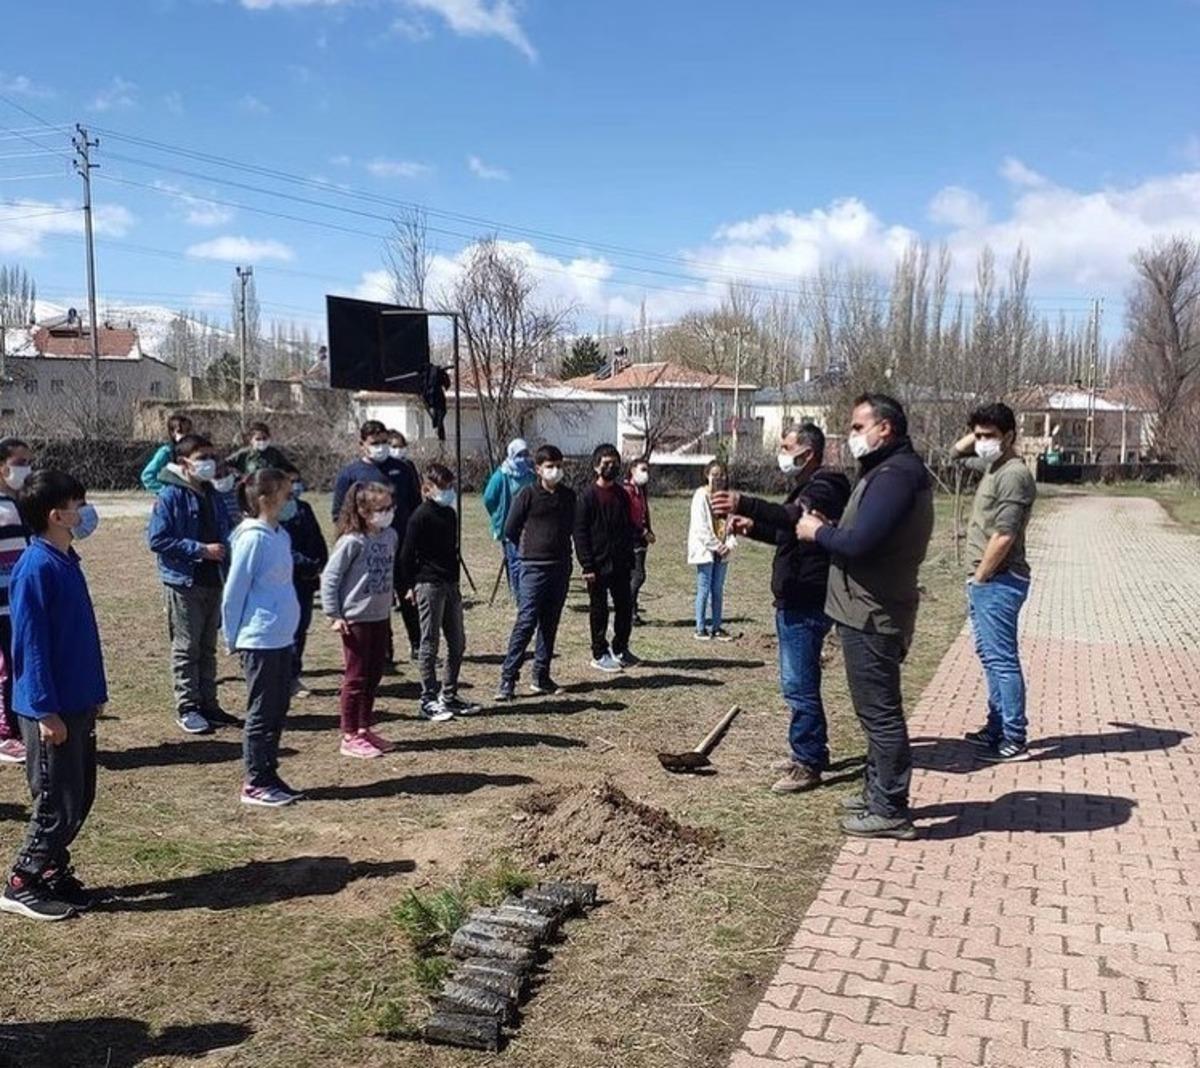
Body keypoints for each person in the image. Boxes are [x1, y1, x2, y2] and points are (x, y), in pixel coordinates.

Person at [796, 393, 934, 841]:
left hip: (874, 614)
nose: (852, 435)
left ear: (884, 429)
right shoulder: (886, 471)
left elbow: (861, 542)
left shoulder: (896, 476)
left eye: (858, 427)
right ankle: (876, 793)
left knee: (880, 714)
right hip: (867, 609)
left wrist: (819, 532)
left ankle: (890, 807)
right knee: (872, 711)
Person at [713, 425, 851, 793]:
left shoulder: (826, 485)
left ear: (808, 453)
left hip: (807, 598)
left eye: (787, 446)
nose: (782, 452)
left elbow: (794, 516)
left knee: (799, 684)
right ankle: (807, 750)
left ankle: (806, 761)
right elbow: (787, 530)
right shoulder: (809, 486)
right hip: (795, 595)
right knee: (798, 682)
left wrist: (745, 503)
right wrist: (752, 527)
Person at [0, 470, 107, 921]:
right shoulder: (35, 568)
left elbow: (79, 637)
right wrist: (45, 710)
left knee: (78, 797)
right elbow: (32, 646)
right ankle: (22, 880)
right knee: (55, 804)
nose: (84, 512)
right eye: (78, 504)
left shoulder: (67, 559)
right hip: (52, 709)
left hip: (78, 700)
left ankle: (52, 871)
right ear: (56, 515)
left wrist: (95, 693)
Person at [953, 402, 1038, 762]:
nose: (982, 442)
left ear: (1010, 437)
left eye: (990, 436)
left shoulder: (1013, 474)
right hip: (987, 580)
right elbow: (954, 454)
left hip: (999, 580)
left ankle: (1014, 735)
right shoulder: (994, 465)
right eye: (979, 435)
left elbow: (1005, 534)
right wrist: (973, 435)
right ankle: (997, 724)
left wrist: (981, 576)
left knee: (1002, 660)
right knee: (990, 658)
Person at [221, 469, 302, 807]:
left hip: (282, 636)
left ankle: (269, 771)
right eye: (286, 494)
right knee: (262, 711)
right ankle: (255, 780)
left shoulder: (279, 535)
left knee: (278, 707)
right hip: (259, 639)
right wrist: (232, 636)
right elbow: (234, 591)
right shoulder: (251, 538)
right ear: (266, 500)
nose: (291, 500)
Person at [146, 434, 236, 736]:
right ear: (184, 463)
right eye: (202, 458)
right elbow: (158, 539)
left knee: (208, 648)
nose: (209, 464)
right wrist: (199, 549)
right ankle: (188, 706)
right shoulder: (171, 496)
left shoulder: (212, 494)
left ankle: (209, 703)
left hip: (214, 580)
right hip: (184, 582)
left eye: (212, 456)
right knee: (186, 648)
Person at [321, 481, 399, 757]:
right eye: (382, 509)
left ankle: (365, 727)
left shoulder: (390, 536)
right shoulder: (352, 541)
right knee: (356, 677)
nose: (389, 513)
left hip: (380, 615)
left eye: (391, 507)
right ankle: (349, 733)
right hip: (356, 619)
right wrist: (334, 614)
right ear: (364, 511)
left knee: (374, 675)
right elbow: (330, 579)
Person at [332, 420, 421, 662]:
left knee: (408, 595)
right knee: (377, 595)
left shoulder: (402, 469)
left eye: (383, 442)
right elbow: (339, 513)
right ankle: (384, 649)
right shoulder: (350, 474)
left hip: (401, 544)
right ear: (362, 445)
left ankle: (418, 644)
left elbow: (415, 505)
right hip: (369, 548)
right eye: (374, 443)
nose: (380, 447)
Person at [496, 445, 575, 701]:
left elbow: (575, 527)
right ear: (538, 469)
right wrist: (527, 552)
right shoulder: (527, 494)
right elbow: (510, 528)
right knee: (527, 621)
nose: (555, 471)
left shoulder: (569, 496)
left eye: (559, 466)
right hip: (533, 567)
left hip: (560, 566)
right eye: (550, 466)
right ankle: (508, 678)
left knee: (549, 623)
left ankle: (541, 675)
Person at [401, 463, 479, 720]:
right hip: (428, 585)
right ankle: (428, 697)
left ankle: (450, 694)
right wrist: (410, 586)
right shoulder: (420, 516)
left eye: (450, 486)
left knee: (457, 642)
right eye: (442, 487)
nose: (447, 492)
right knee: (429, 642)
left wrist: (456, 583)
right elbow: (406, 556)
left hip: (450, 584)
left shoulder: (450, 515)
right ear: (427, 488)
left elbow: (451, 551)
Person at [575, 443, 637, 672]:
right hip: (598, 566)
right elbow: (580, 534)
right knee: (599, 610)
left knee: (624, 607)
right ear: (596, 467)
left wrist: (630, 556)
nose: (611, 468)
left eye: (615, 464)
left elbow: (627, 526)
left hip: (621, 563)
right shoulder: (587, 497)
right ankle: (599, 653)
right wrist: (587, 565)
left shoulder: (622, 494)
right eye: (606, 464)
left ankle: (620, 648)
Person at [0, 438, 33, 766]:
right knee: (7, 667)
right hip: (2, 603)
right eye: (19, 462)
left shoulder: (23, 501)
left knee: (21, 661)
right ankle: (6, 734)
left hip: (23, 599)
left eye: (28, 461)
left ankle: (21, 724)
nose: (26, 468)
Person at [280, 473, 328, 699]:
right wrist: (304, 563)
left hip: (306, 580)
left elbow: (317, 538)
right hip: (286, 578)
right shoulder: (276, 513)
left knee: (300, 628)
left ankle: (293, 674)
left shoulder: (304, 508)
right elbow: (281, 548)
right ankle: (282, 677)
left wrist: (320, 563)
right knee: (286, 628)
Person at [688, 461, 737, 641]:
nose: (718, 479)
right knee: (704, 588)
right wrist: (717, 545)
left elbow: (732, 525)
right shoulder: (700, 496)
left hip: (722, 550)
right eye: (714, 475)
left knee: (718, 589)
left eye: (722, 475)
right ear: (707, 475)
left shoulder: (726, 497)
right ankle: (700, 628)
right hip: (706, 548)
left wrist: (728, 545)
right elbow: (700, 527)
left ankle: (717, 627)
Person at [483, 438, 536, 598]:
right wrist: (498, 514)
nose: (523, 458)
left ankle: (526, 590)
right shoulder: (502, 475)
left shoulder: (530, 475)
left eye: (526, 454)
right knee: (515, 561)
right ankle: (519, 594)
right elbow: (489, 498)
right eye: (520, 454)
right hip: (510, 524)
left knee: (526, 561)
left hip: (529, 525)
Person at [623, 458, 655, 626]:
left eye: (647, 470)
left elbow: (643, 512)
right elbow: (628, 518)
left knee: (634, 576)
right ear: (632, 470)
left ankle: (632, 612)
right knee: (638, 576)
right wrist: (642, 532)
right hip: (632, 538)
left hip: (642, 537)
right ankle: (627, 609)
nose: (646, 474)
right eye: (642, 470)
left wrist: (649, 530)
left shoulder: (641, 490)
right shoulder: (627, 491)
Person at [140, 413, 193, 493]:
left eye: (188, 431)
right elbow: (147, 476)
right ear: (172, 433)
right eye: (180, 431)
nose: (185, 435)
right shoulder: (166, 452)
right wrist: (166, 491)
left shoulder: (194, 452)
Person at [226, 422, 297, 478]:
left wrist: (289, 476)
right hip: (250, 490)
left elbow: (291, 470)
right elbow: (225, 464)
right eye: (258, 439)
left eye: (264, 438)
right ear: (251, 440)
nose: (262, 441)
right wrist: (236, 473)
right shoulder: (244, 453)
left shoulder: (275, 453)